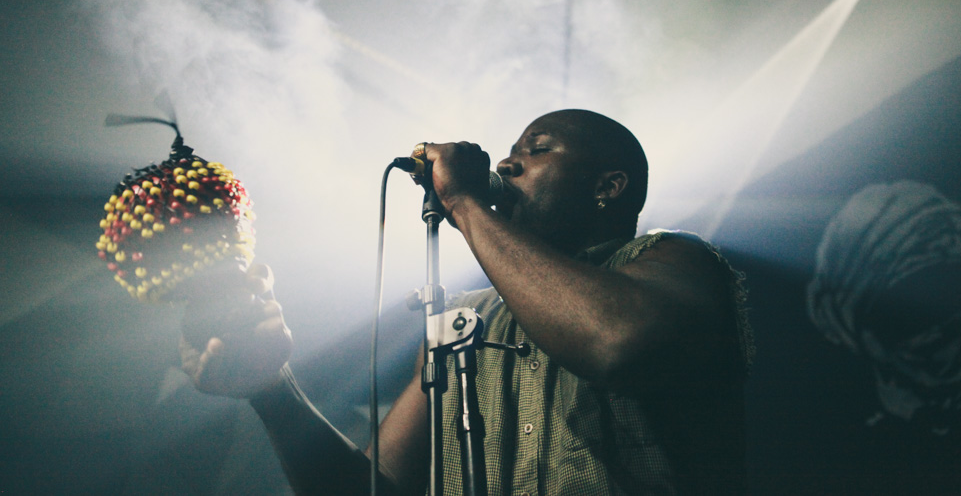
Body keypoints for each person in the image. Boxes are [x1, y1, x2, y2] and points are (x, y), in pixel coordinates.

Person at [180, 109, 754, 494]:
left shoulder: (675, 260)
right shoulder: (463, 320)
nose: (506, 164)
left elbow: (617, 342)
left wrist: (462, 202)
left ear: (608, 187)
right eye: (511, 151)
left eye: (538, 150)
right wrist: (269, 387)